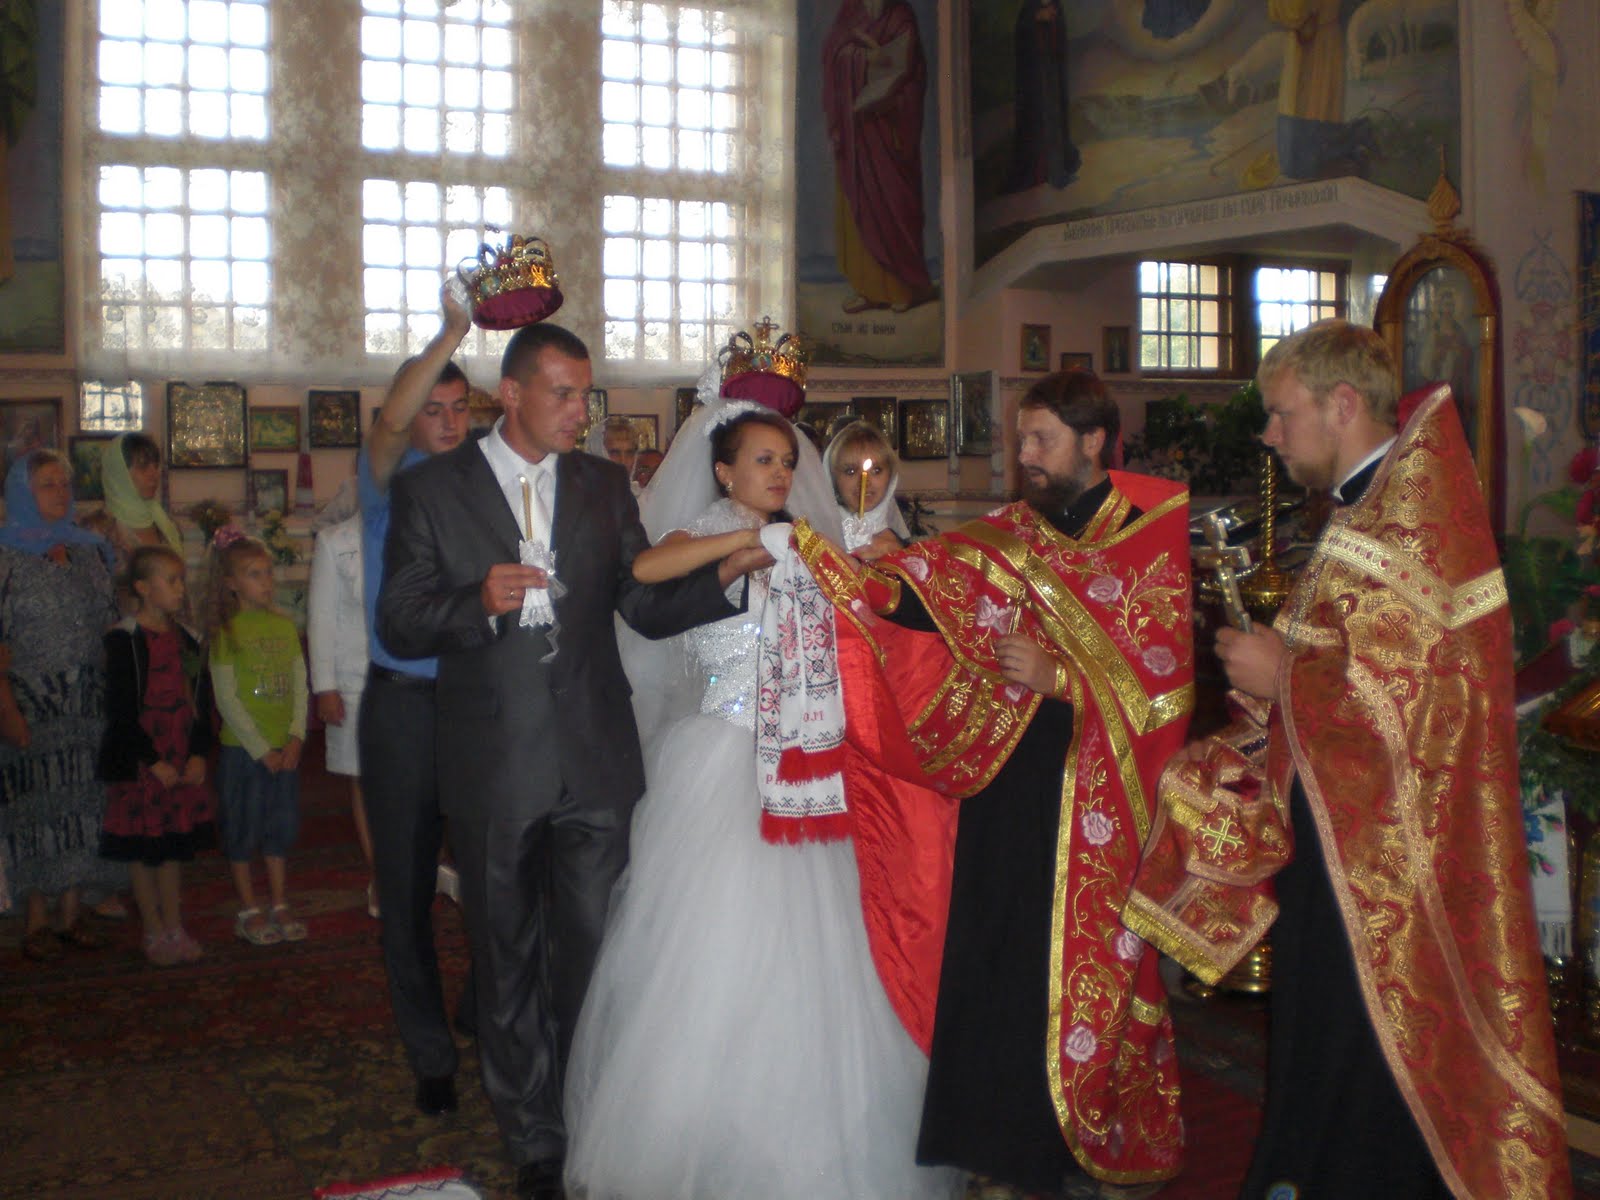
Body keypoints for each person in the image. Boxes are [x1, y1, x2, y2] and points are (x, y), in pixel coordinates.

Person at [1127, 319, 1571, 1197]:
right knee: (1324, 1035)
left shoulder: (1409, 529)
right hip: (1348, 841)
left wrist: (1283, 673)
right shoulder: (1371, 511)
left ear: (1340, 405)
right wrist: (1276, 685)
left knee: (1366, 1049)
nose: (1268, 435)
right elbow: (1362, 666)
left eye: (1282, 414)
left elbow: (1429, 707)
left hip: (1394, 870)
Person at [377, 322, 761, 1200]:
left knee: (592, 951)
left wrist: (728, 578)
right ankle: (534, 1138)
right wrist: (473, 601)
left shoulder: (598, 484)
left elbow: (639, 601)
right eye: (562, 393)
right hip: (493, 756)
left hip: (594, 753)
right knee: (505, 955)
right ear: (511, 395)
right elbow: (399, 619)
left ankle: (588, 1105)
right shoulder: (435, 490)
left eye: (586, 394)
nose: (580, 412)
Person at [800, 370, 1194, 1195]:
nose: (1026, 456)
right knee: (998, 966)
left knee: (1074, 977)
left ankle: (1080, 1143)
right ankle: (1000, 1151)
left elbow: (1165, 684)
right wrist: (859, 572)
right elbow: (933, 592)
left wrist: (1065, 680)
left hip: (1097, 804)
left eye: (1042, 440)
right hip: (1010, 793)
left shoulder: (1150, 534)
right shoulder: (1015, 530)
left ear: (1094, 442)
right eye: (1021, 439)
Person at [564, 402, 955, 1200]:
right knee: (714, 959)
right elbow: (642, 575)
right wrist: (748, 550)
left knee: (822, 957)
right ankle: (699, 1137)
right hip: (719, 762)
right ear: (723, 471)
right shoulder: (698, 533)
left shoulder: (814, 540)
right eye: (763, 460)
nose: (780, 474)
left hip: (806, 767)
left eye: (787, 460)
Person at [357, 285, 476, 1120]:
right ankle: (430, 1055)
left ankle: (483, 1013)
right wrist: (452, 333)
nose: (443, 419)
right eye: (429, 405)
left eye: (457, 406)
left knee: (502, 878)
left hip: (478, 705)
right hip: (401, 706)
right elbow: (390, 423)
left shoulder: (485, 480)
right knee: (404, 892)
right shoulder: (387, 478)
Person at [0, 451, 119, 962]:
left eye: (65, 483)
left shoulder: (90, 550)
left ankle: (72, 913)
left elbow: (111, 625)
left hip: (89, 700)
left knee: (85, 808)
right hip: (32, 703)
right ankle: (35, 921)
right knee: (35, 813)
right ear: (22, 493)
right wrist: (7, 711)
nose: (60, 492)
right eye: (47, 484)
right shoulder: (5, 559)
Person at [98, 544, 216, 966]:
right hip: (143, 761)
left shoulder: (187, 639)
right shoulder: (124, 640)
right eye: (172, 580)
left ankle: (175, 925)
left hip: (179, 755)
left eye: (182, 579)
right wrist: (153, 760)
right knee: (142, 849)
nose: (181, 589)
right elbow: (121, 711)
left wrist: (199, 753)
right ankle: (151, 928)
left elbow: (200, 702)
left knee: (171, 847)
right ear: (144, 588)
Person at [206, 531, 309, 949]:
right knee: (242, 827)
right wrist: (260, 748)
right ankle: (249, 907)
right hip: (245, 752)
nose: (266, 582)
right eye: (254, 575)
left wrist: (297, 736)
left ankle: (279, 901)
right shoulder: (226, 633)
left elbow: (300, 686)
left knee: (279, 827)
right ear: (231, 583)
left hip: (284, 751)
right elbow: (227, 699)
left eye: (268, 574)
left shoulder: (284, 627)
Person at [821, 0, 936, 314]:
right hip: (855, 129)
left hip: (888, 126)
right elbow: (832, 56)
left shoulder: (900, 15)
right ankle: (868, 288)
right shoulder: (850, 12)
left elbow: (911, 70)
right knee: (859, 200)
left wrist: (876, 61)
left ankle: (901, 287)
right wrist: (860, 60)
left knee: (893, 202)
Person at [307, 513, 375, 917]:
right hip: (355, 678)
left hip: (414, 678)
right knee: (364, 779)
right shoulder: (337, 540)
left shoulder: (426, 522)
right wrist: (325, 685)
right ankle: (379, 874)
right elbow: (321, 618)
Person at [825, 418, 908, 558]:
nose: (865, 481)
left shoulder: (902, 550)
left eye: (876, 470)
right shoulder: (820, 542)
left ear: (890, 477)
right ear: (833, 478)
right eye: (850, 471)